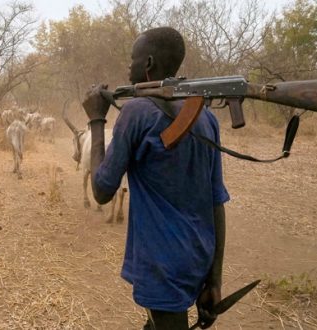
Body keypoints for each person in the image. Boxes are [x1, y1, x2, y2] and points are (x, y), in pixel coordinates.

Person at [81, 27, 230, 329]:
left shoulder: (136, 113)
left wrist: (97, 119)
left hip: (163, 266)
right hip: (200, 257)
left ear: (148, 64)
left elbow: (101, 190)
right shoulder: (206, 117)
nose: (128, 67)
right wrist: (215, 278)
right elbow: (216, 202)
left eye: (132, 59)